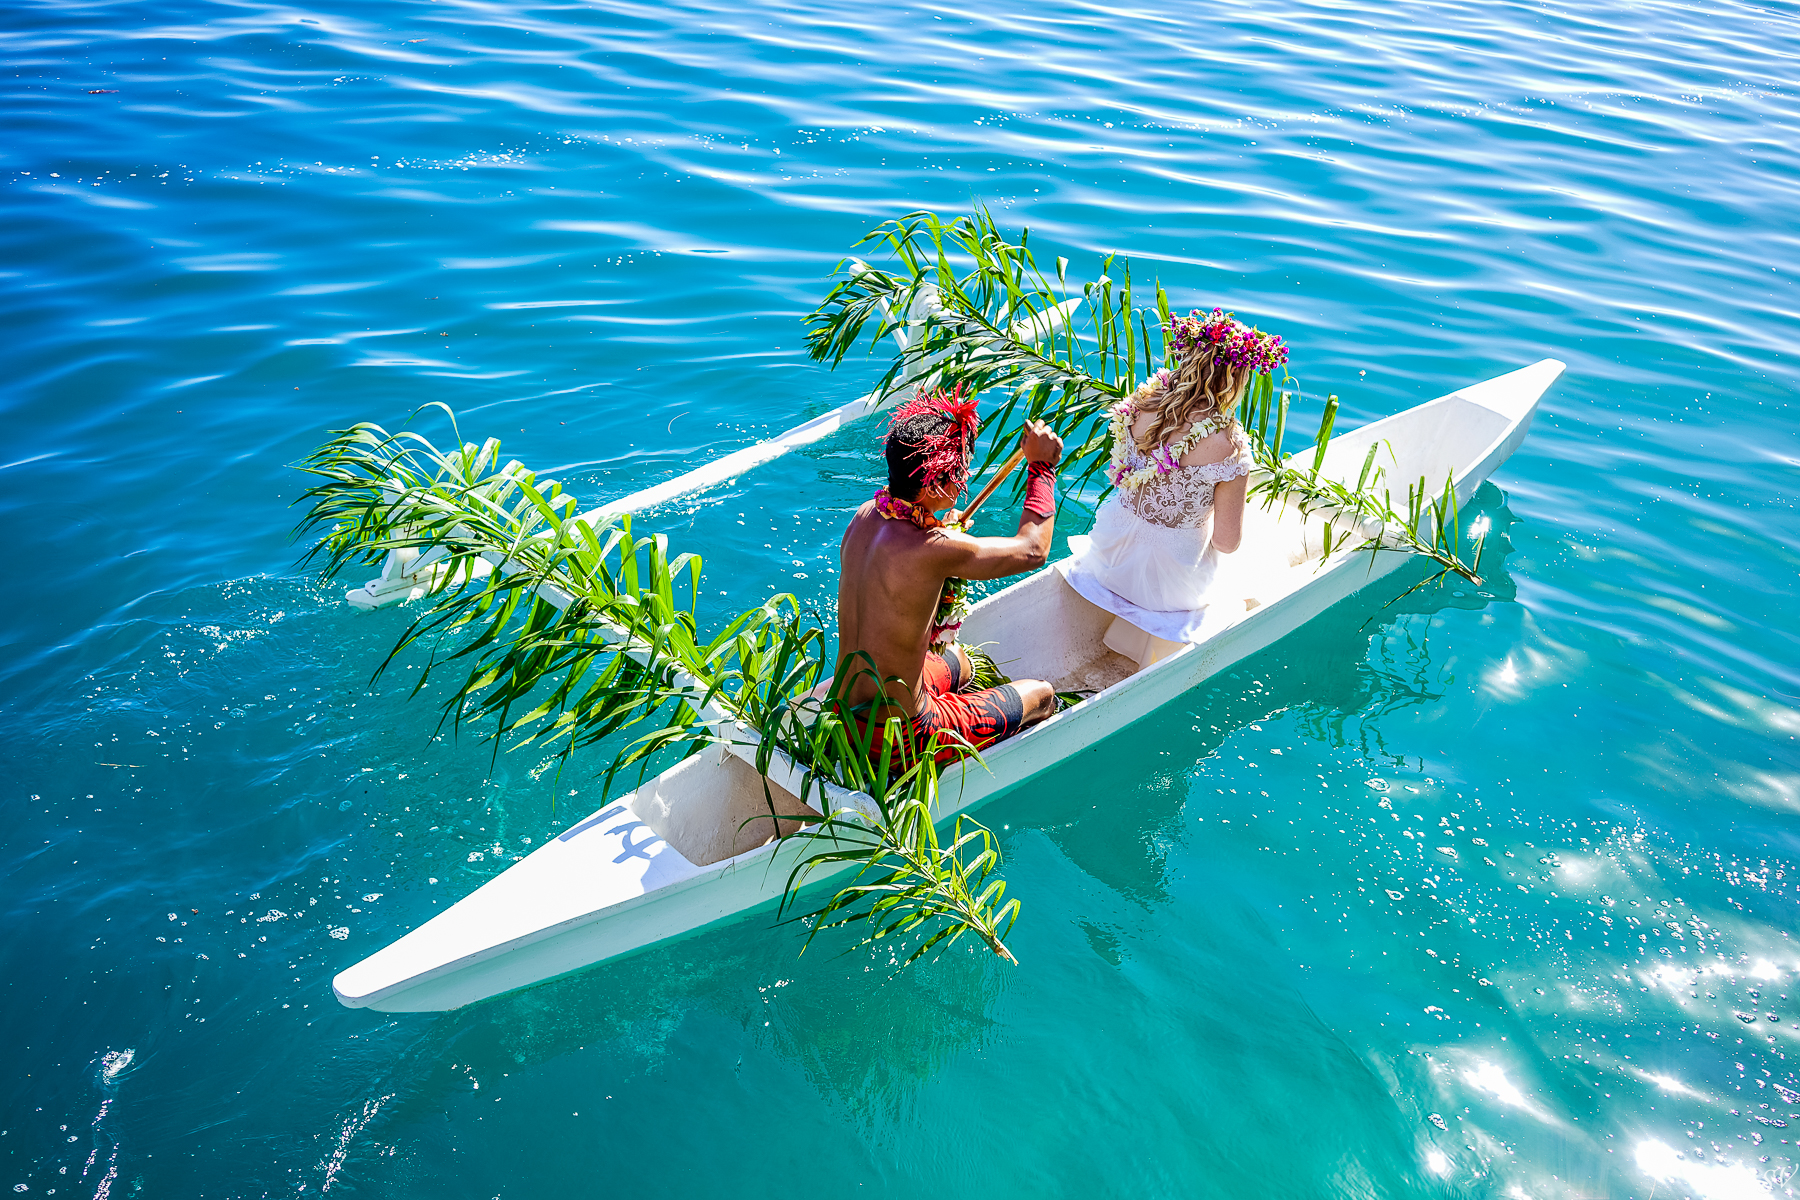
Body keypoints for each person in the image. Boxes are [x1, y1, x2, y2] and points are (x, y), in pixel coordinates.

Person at [837, 386, 1065, 758]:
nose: (963, 480)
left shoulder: (866, 515)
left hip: (845, 711)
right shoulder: (934, 549)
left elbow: (909, 563)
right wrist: (1042, 469)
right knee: (1043, 694)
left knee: (959, 661)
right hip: (902, 735)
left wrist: (941, 526)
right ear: (931, 483)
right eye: (956, 473)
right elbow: (1033, 550)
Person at [1059, 307, 1288, 664]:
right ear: (1236, 379)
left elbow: (1118, 471)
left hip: (1107, 554)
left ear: (1188, 356)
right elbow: (1226, 543)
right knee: (1247, 561)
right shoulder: (1229, 444)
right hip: (1169, 586)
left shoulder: (1140, 403)